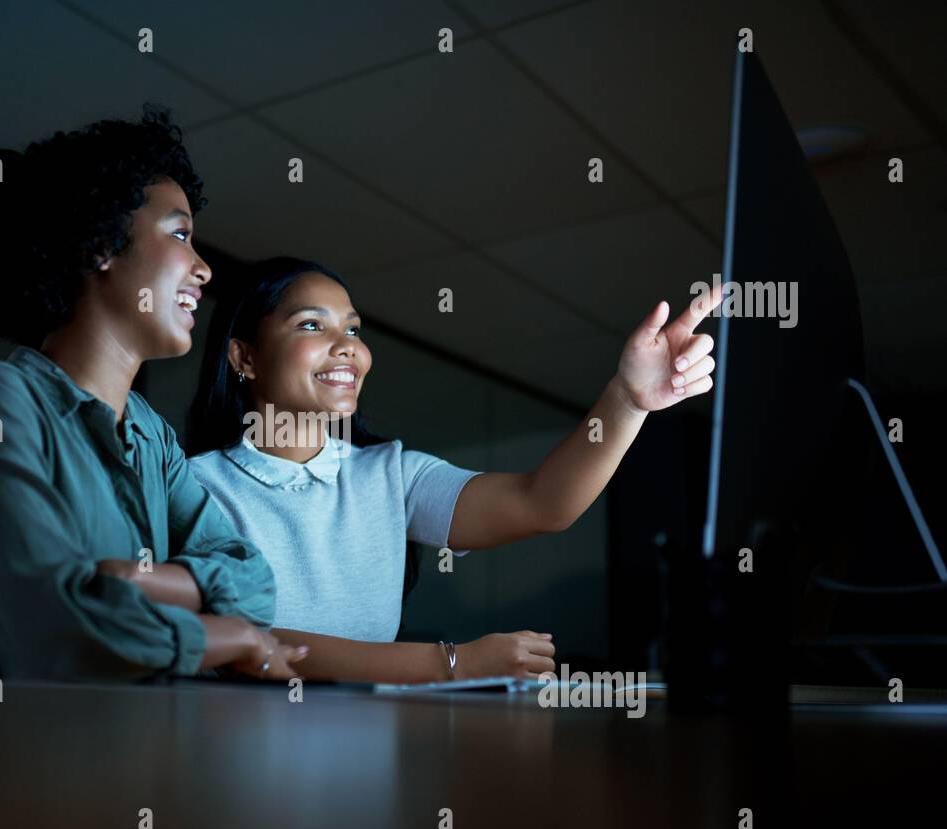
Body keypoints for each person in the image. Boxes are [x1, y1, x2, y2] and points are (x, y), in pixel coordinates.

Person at [0, 108, 306, 682]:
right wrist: (226, 635)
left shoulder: (149, 435)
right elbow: (55, 629)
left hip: (103, 742)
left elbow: (255, 582)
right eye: (180, 235)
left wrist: (132, 580)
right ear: (99, 245)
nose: (204, 269)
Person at [186, 257, 720, 684]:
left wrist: (627, 400)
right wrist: (454, 664)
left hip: (363, 773)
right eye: (311, 324)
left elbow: (543, 503)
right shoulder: (191, 485)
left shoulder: (391, 476)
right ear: (244, 358)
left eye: (352, 328)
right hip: (236, 758)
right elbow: (246, 642)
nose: (349, 346)